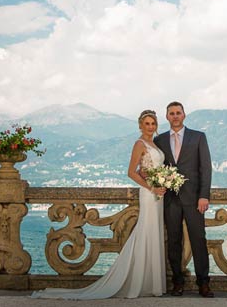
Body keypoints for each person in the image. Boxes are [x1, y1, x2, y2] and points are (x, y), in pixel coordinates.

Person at [31, 109, 167, 299]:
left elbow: (148, 168)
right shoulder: (139, 144)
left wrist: (163, 182)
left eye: (153, 124)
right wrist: (152, 188)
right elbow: (131, 172)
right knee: (145, 231)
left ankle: (152, 283)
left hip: (159, 194)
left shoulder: (155, 143)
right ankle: (137, 282)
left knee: (154, 232)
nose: (150, 127)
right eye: (147, 123)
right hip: (149, 193)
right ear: (140, 125)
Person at [154, 101, 214, 298]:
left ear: (184, 115)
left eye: (178, 113)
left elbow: (205, 168)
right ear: (167, 117)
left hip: (194, 199)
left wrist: (204, 195)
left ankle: (203, 283)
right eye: (171, 113)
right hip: (170, 199)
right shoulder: (160, 140)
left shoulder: (198, 137)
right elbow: (156, 169)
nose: (175, 116)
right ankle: (177, 282)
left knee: (199, 240)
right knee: (173, 241)